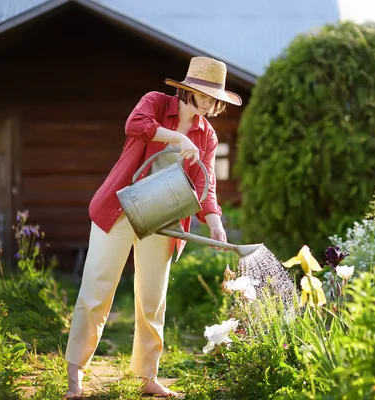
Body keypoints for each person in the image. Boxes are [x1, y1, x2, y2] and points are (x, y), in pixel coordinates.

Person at [64, 56, 242, 398]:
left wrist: (215, 224)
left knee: (151, 299)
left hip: (163, 219)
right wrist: (177, 139)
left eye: (213, 97)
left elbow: (207, 188)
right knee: (97, 290)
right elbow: (136, 125)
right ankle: (75, 376)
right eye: (202, 93)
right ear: (187, 89)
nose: (207, 102)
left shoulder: (207, 135)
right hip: (119, 208)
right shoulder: (156, 103)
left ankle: (147, 377)